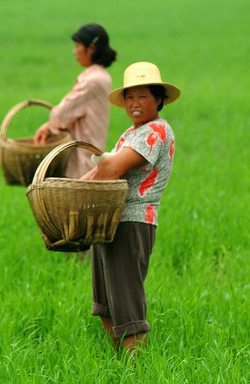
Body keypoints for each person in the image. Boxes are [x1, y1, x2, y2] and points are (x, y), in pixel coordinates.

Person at [80, 62, 180, 354]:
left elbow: (111, 168)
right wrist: (74, 185)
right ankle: (118, 367)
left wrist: (99, 166)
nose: (135, 103)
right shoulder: (130, 133)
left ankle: (135, 378)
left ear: (159, 100)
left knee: (127, 303)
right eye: (130, 97)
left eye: (144, 97)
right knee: (107, 303)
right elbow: (102, 169)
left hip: (132, 222)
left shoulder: (156, 131)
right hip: (110, 220)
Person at [34, 23, 117, 179]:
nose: (75, 52)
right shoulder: (101, 76)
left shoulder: (93, 80)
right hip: (90, 154)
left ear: (91, 48)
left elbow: (62, 114)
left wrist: (50, 125)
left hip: (82, 159)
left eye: (77, 46)